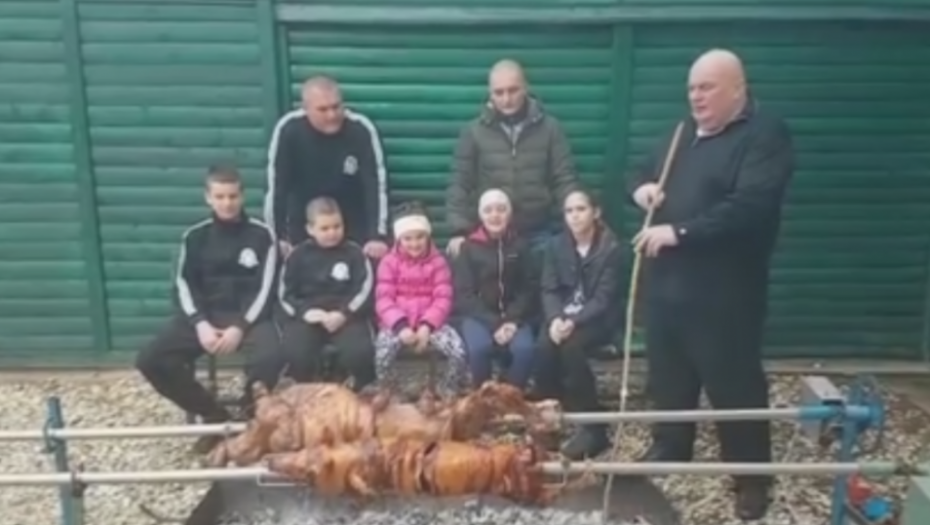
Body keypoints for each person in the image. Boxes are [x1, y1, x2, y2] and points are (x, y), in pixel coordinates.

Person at [628, 49, 794, 520]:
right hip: (668, 286)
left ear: (738, 88)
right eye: (691, 88)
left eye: (707, 87)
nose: (696, 97)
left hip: (726, 293)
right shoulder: (681, 134)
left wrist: (679, 232)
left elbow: (750, 207)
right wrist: (641, 190)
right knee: (669, 374)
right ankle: (672, 444)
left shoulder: (764, 135)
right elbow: (638, 173)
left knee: (734, 384)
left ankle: (751, 478)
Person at [136, 165, 281, 453]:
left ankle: (247, 420)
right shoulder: (194, 237)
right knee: (151, 360)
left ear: (242, 196)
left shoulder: (263, 236)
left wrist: (240, 327)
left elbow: (265, 288)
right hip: (204, 318)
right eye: (220, 196)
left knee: (272, 356)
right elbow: (184, 284)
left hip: (249, 318)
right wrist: (200, 323)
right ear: (208, 198)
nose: (227, 203)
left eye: (233, 196)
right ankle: (213, 415)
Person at [446, 59, 580, 256]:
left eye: (513, 90)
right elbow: (460, 182)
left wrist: (577, 223)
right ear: (490, 93)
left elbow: (564, 179)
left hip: (538, 233)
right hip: (490, 236)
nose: (506, 99)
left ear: (525, 88)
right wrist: (459, 230)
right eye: (499, 92)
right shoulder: (474, 131)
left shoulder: (550, 128)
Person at [533, 189, 621, 460]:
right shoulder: (556, 245)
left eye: (581, 209)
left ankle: (593, 428)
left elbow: (603, 298)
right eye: (569, 211)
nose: (574, 216)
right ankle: (548, 421)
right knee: (544, 346)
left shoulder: (611, 248)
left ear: (596, 212)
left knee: (572, 347)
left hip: (597, 319)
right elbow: (548, 288)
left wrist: (573, 321)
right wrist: (555, 318)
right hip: (562, 317)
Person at [264, 75, 390, 259]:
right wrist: (278, 237)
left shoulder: (361, 129)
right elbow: (277, 187)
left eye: (336, 107)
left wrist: (376, 236)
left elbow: (375, 185)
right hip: (304, 229)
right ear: (306, 108)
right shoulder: (289, 130)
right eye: (323, 109)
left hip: (353, 231)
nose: (332, 115)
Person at [278, 197, 376, 389]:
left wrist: (344, 313)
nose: (332, 233)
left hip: (346, 316)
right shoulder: (297, 255)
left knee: (359, 354)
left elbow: (365, 289)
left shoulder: (355, 253)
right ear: (310, 229)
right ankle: (307, 391)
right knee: (296, 353)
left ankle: (352, 391)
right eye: (324, 228)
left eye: (337, 226)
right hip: (308, 316)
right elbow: (284, 294)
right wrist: (305, 312)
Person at [373, 203, 469, 396]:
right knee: (381, 354)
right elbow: (384, 300)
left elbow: (443, 298)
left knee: (458, 352)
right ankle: (393, 391)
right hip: (397, 324)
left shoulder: (438, 262)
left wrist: (427, 325)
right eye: (407, 238)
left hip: (432, 323)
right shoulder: (388, 262)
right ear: (399, 239)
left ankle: (448, 388)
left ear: (428, 236)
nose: (414, 243)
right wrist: (400, 326)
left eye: (420, 237)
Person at [452, 189, 535, 388]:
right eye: (488, 210)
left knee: (525, 350)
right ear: (480, 215)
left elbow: (529, 288)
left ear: (510, 214)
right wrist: (496, 323)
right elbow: (465, 294)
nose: (495, 215)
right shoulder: (468, 248)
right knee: (479, 350)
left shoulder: (521, 245)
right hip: (479, 317)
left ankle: (511, 396)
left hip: (515, 317)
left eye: (501, 209)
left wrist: (512, 320)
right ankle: (483, 397)